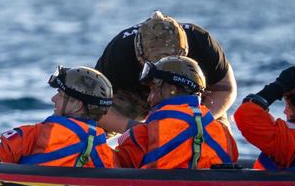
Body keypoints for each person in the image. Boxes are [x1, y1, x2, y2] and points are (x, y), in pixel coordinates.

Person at [94, 10, 237, 131]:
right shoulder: (119, 53)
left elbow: (226, 89)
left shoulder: (202, 43)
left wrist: (199, 121)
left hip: (190, 97)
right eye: (156, 63)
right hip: (136, 97)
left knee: (219, 130)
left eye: (171, 62)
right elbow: (95, 107)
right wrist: (138, 130)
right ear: (138, 53)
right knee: (92, 130)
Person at [113, 56, 240, 169]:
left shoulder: (144, 133)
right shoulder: (224, 132)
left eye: (153, 90)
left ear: (171, 90)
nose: (149, 98)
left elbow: (114, 164)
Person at [0, 66, 118, 167]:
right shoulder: (104, 152)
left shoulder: (31, 136)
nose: (53, 99)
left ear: (77, 105)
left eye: (60, 95)